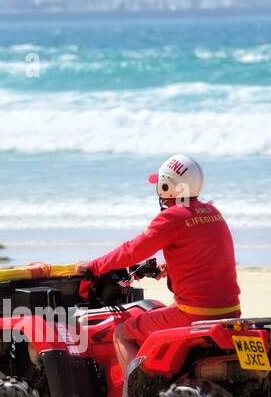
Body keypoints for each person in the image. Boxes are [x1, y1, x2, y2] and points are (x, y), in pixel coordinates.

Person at [82, 154, 240, 369]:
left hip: (194, 313)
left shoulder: (172, 217)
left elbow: (132, 251)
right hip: (230, 311)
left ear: (167, 186)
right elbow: (206, 259)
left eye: (160, 183)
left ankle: (136, 396)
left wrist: (94, 266)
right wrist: (168, 267)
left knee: (122, 333)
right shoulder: (213, 213)